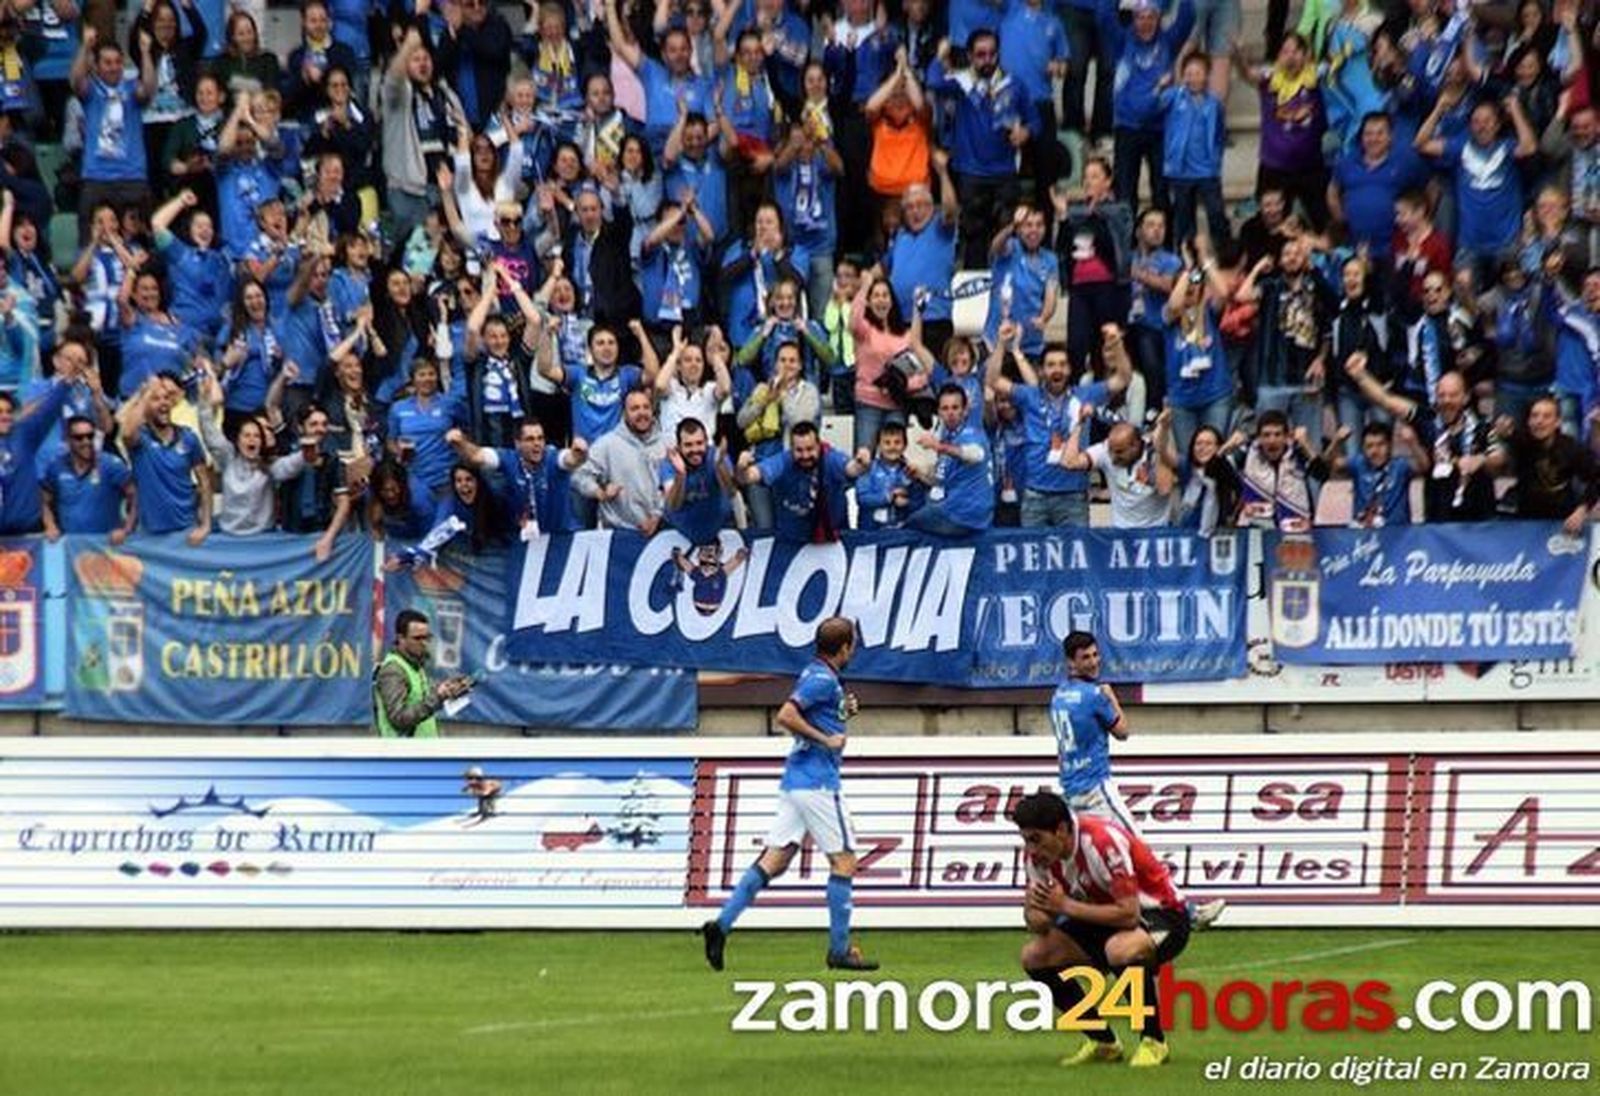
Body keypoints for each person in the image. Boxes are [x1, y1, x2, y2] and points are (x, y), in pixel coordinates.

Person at [700, 616, 877, 973]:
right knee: (844, 863)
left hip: (796, 782)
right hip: (819, 784)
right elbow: (787, 715)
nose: (853, 649)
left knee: (774, 861)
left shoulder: (816, 674)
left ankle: (720, 926)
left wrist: (843, 714)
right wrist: (827, 739)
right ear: (845, 647)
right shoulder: (823, 680)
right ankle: (839, 950)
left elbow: (813, 712)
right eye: (852, 644)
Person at [1049, 631, 1227, 928]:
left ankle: (1078, 917)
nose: (1093, 662)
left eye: (1095, 655)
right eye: (1085, 658)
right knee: (1137, 847)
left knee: (1081, 857)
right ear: (1070, 662)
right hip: (1096, 789)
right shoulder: (1095, 695)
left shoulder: (1058, 697)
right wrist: (1112, 698)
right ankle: (1186, 912)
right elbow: (1123, 732)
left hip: (1070, 788)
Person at [1014, 790, 1189, 1069]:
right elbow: (1038, 922)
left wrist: (1063, 906)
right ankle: (1103, 1041)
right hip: (1102, 918)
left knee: (1120, 949)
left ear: (1060, 830)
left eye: (1036, 839)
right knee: (1035, 956)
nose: (1032, 849)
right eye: (1026, 840)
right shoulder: (1037, 858)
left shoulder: (1101, 842)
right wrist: (1035, 910)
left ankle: (1154, 1041)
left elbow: (1129, 914)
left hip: (1162, 916)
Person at [737, 422, 871, 543]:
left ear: (819, 445)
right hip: (792, 541)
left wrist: (862, 463)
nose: (805, 455)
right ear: (791, 448)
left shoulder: (831, 458)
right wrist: (742, 468)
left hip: (834, 538)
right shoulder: (784, 461)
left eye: (810, 449)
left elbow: (851, 469)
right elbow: (750, 476)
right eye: (799, 450)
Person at [373, 608, 473, 739]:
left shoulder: (415, 664)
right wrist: (438, 697)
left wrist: (446, 690)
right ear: (401, 638)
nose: (424, 643)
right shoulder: (393, 671)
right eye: (418, 638)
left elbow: (420, 699)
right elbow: (398, 719)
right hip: (404, 755)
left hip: (423, 753)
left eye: (427, 637)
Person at [42, 415, 137, 542]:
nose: (86, 441)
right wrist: (50, 526)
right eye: (79, 438)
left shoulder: (111, 464)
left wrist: (127, 529)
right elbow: (43, 500)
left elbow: (136, 496)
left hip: (107, 546)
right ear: (67, 439)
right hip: (72, 549)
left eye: (90, 436)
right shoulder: (56, 467)